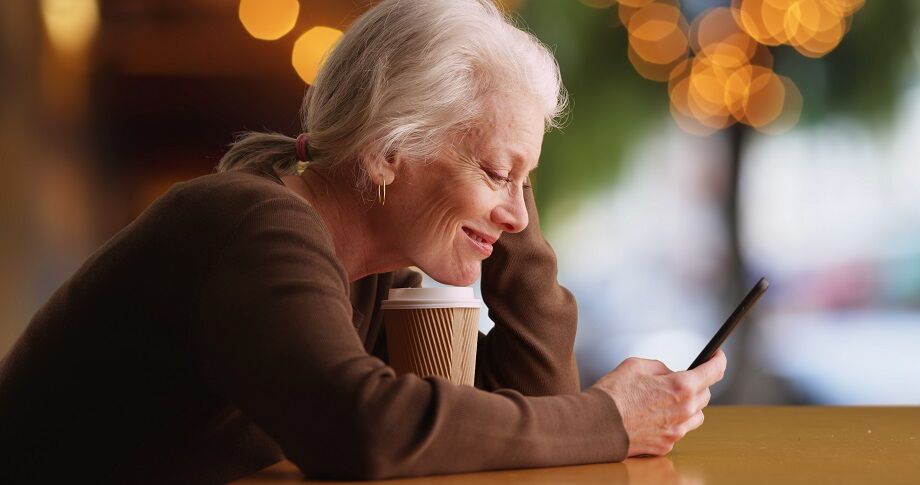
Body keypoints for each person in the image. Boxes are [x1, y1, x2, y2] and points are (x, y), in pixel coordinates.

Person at [0, 0, 726, 482]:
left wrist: (505, 172)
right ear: (386, 152)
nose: (516, 217)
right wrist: (610, 418)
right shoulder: (255, 225)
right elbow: (362, 429)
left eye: (525, 186)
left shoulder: (358, 258)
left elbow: (538, 406)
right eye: (501, 174)